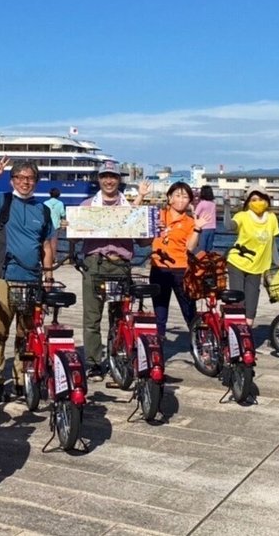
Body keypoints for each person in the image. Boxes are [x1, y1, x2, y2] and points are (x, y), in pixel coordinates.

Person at [0, 157, 55, 400]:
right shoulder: (1, 200)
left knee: (26, 331)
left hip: (32, 277)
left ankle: (20, 378)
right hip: (6, 276)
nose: (26, 182)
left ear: (36, 181)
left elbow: (46, 245)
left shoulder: (43, 210)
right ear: (13, 179)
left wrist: (48, 275)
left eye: (31, 178)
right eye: (21, 177)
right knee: (0, 327)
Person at [78, 161, 149, 379]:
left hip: (121, 264)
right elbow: (76, 234)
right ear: (99, 179)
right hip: (95, 263)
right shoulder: (87, 205)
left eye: (113, 177)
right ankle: (93, 362)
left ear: (119, 180)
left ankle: (117, 356)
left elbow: (143, 242)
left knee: (119, 316)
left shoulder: (131, 208)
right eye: (105, 176)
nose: (109, 181)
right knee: (92, 317)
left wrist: (153, 229)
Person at [150, 182, 213, 342]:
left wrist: (198, 228)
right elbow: (139, 235)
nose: (181, 200)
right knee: (160, 311)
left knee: (189, 309)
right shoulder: (156, 216)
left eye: (185, 197)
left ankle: (200, 343)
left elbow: (190, 247)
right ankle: (157, 348)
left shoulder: (190, 222)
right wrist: (141, 196)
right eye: (177, 195)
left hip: (181, 270)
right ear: (169, 198)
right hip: (159, 269)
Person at [224, 189, 279, 329]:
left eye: (261, 199)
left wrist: (277, 265)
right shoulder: (243, 216)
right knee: (238, 301)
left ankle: (246, 333)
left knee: (251, 304)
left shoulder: (272, 218)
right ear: (248, 202)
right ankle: (234, 335)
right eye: (253, 200)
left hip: (257, 266)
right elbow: (229, 226)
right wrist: (226, 206)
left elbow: (272, 243)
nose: (257, 203)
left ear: (267, 200)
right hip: (238, 262)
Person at [42, 188, 65, 264]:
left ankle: (45, 258)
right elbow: (63, 214)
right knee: (54, 243)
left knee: (46, 243)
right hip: (56, 225)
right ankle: (53, 258)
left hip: (46, 225)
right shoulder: (60, 203)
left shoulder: (45, 203)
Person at [194, 185, 218, 252]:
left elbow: (196, 214)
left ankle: (201, 261)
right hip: (212, 227)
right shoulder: (213, 204)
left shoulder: (202, 203)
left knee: (202, 248)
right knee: (209, 248)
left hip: (203, 227)